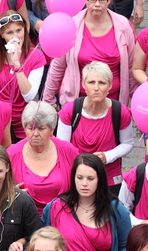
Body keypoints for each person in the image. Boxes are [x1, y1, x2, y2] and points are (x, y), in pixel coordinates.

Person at [42, 0, 137, 108]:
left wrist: (134, 101)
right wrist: (47, 99)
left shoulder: (123, 25)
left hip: (114, 103)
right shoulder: (71, 25)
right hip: (78, 102)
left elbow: (131, 66)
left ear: (109, 0)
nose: (97, 4)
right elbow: (58, 66)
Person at [43, 153, 132, 251]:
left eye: (90, 179)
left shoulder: (116, 209)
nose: (84, 183)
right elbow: (43, 242)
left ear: (100, 180)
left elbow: (127, 248)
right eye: (79, 177)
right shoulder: (55, 207)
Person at [57, 62, 135, 192]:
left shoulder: (120, 111)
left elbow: (127, 144)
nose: (96, 88)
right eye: (91, 82)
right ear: (83, 85)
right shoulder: (70, 110)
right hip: (78, 176)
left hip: (109, 176)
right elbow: (62, 147)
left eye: (102, 83)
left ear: (110, 86)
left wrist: (108, 156)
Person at [8, 102, 80, 210]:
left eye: (41, 128)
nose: (35, 134)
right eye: (31, 128)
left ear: (52, 130)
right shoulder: (12, 154)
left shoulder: (68, 151)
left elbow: (83, 181)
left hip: (63, 216)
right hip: (25, 219)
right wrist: (9, 192)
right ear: (24, 129)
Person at [0, 13, 46, 139]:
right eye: (9, 33)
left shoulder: (36, 56)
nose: (16, 37)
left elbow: (29, 96)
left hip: (23, 125)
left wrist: (17, 64)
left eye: (19, 30)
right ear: (2, 35)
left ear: (25, 29)